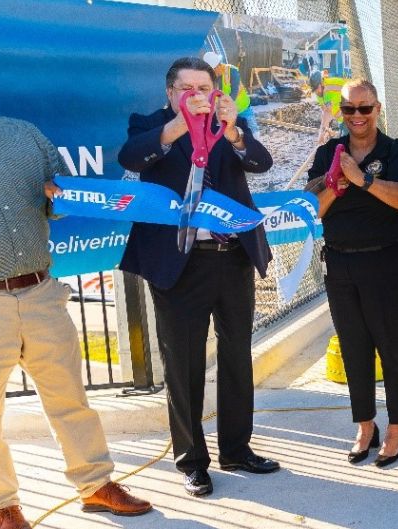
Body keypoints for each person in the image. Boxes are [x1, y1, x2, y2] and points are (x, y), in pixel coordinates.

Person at [0, 53, 151, 529]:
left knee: (71, 397)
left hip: (40, 293)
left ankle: (95, 484)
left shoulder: (22, 135)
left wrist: (60, 200)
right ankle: (1, 506)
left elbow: (56, 203)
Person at [119, 56, 280, 497]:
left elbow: (261, 163)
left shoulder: (232, 123)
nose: (197, 96)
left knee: (236, 354)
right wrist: (177, 127)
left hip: (232, 258)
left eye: (204, 88)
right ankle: (192, 461)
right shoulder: (150, 124)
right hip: (178, 262)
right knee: (183, 363)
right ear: (171, 93)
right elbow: (132, 156)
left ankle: (237, 448)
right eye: (187, 88)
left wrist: (233, 131)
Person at [306, 79, 398, 468]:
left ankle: (396, 428)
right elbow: (313, 210)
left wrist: (364, 181)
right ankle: (365, 426)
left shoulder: (397, 151)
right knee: (354, 346)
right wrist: (335, 187)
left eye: (365, 108)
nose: (357, 116)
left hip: (386, 261)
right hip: (340, 261)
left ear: (377, 109)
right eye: (349, 109)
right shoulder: (328, 154)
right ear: (341, 111)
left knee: (390, 346)